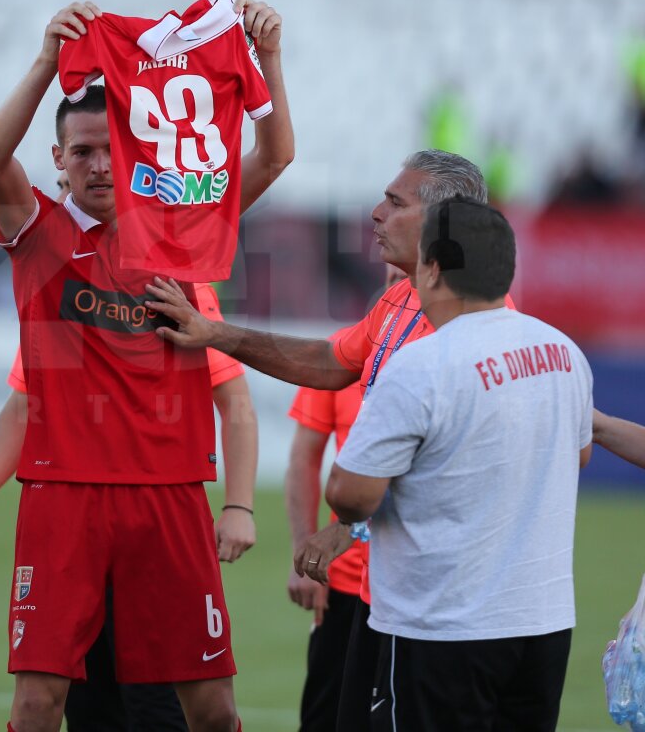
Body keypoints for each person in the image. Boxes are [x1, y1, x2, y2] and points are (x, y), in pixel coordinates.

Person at [0, 0, 292, 732]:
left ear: (133, 146)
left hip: (170, 493)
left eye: (106, 148)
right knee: (35, 705)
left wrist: (267, 60)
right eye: (78, 152)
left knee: (211, 710)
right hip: (63, 494)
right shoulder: (39, 235)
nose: (95, 165)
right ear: (56, 160)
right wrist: (46, 63)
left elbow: (275, 157)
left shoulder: (185, 230)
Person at [144, 148, 494, 732]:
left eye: (394, 202)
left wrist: (346, 527)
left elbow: (449, 460)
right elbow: (330, 361)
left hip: (445, 600)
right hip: (388, 584)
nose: (376, 213)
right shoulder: (400, 299)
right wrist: (216, 333)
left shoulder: (479, 321)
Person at [322, 197, 593, 731]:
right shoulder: (564, 352)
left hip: (442, 626)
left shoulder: (422, 364)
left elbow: (350, 493)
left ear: (433, 268)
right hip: (543, 625)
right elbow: (577, 455)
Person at [0, 282, 259, 732]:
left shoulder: (177, 286)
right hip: (74, 525)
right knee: (82, 708)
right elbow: (25, 402)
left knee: (170, 708)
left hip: (156, 523)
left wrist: (240, 506)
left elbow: (235, 401)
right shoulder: (59, 283)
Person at [283, 267, 404, 732]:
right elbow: (303, 459)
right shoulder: (340, 356)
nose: (400, 278)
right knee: (326, 717)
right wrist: (302, 550)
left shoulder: (444, 363)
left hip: (410, 587)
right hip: (346, 583)